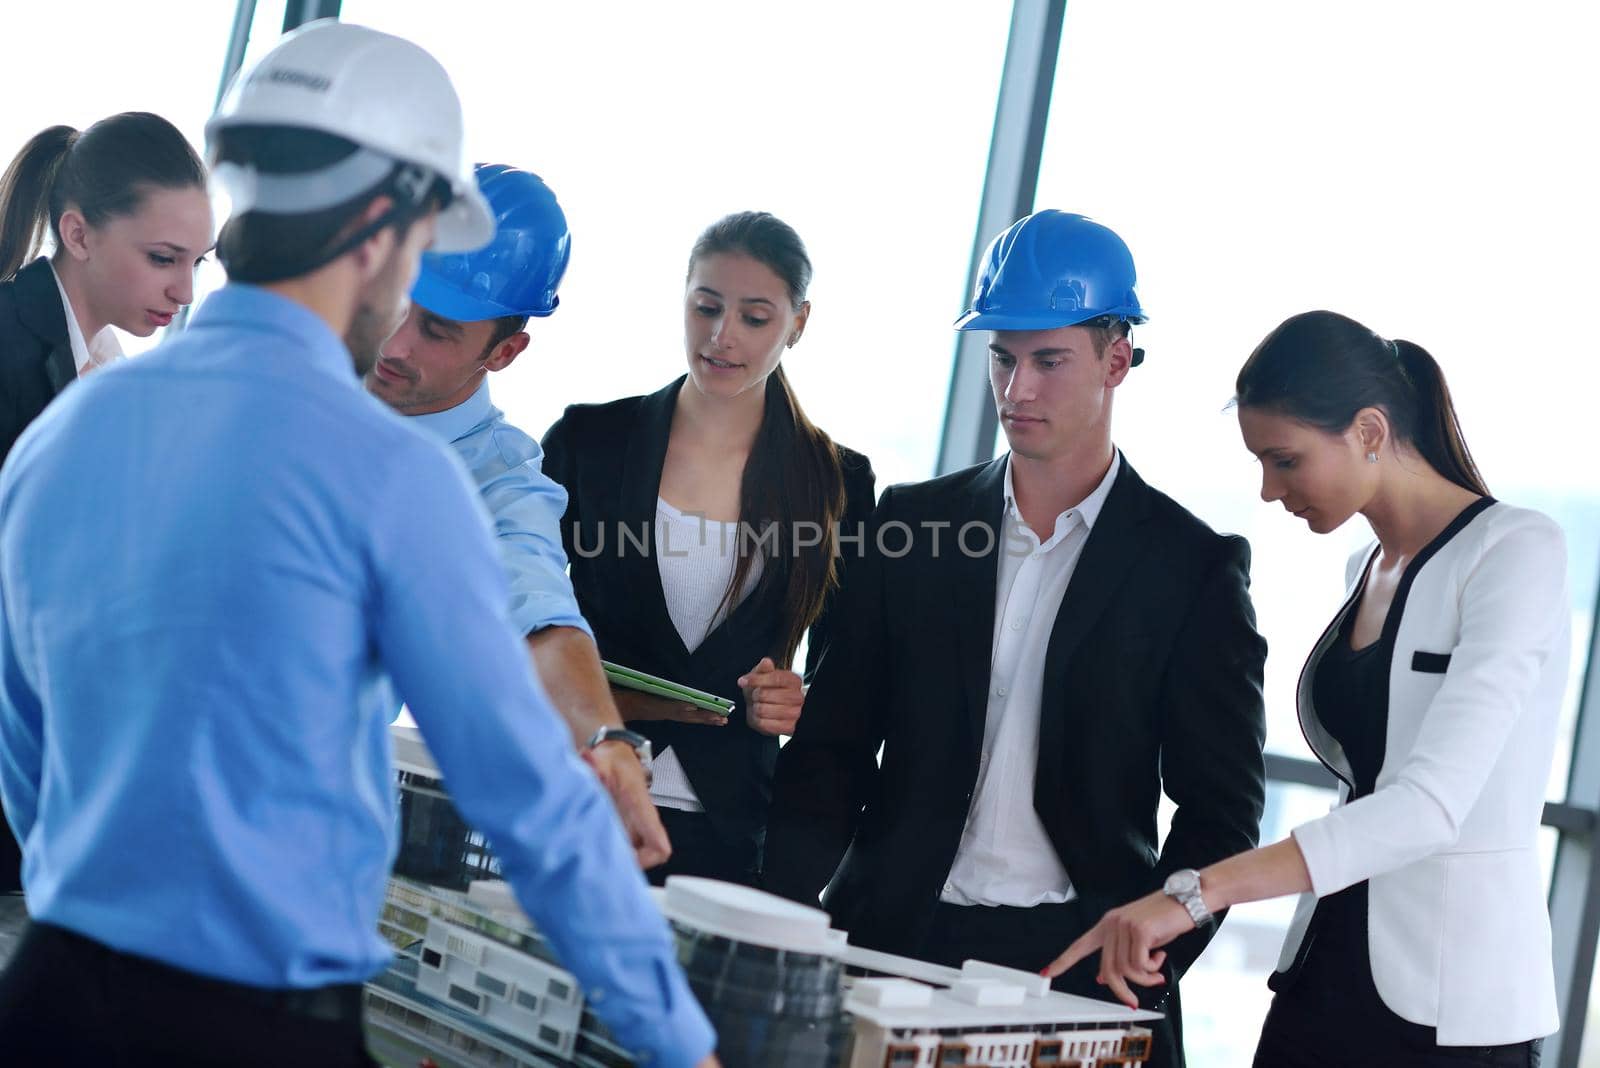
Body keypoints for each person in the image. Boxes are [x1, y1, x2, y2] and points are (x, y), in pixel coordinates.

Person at [0, 21, 715, 1068]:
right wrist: (677, 1043)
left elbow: (21, 738)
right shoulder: (393, 477)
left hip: (49, 1001)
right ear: (385, 227)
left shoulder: (68, 431)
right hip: (255, 1026)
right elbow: (525, 799)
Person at [762, 210, 1268, 1068]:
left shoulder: (1191, 568)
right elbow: (833, 751)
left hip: (1072, 964)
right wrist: (777, 917)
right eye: (1002, 358)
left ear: (1117, 359)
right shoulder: (910, 527)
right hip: (892, 940)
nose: (1017, 390)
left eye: (1048, 360)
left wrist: (1150, 954)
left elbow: (1222, 810)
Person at [1049, 310, 1565, 1068]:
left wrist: (1196, 892)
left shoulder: (1517, 552)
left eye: (1284, 461)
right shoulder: (1363, 565)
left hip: (1452, 1006)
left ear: (1368, 431)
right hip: (1325, 969)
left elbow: (1429, 806)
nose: (1267, 490)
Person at [541, 211, 877, 887]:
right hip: (576, 795)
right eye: (707, 308)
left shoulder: (838, 482)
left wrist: (796, 698)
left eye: (755, 318)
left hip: (731, 834)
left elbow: (852, 684)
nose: (722, 338)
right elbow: (516, 621)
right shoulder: (589, 443)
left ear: (798, 323)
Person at [367, 162, 668, 869]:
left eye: (437, 330)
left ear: (504, 351)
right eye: (396, 302)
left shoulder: (496, 481)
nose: (396, 343)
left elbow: (538, 615)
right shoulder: (294, 370)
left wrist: (605, 742)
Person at [0, 111, 211, 894]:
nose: (184, 289)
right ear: (78, 234)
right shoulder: (9, 349)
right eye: (162, 258)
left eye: (197, 262)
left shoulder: (112, 370)